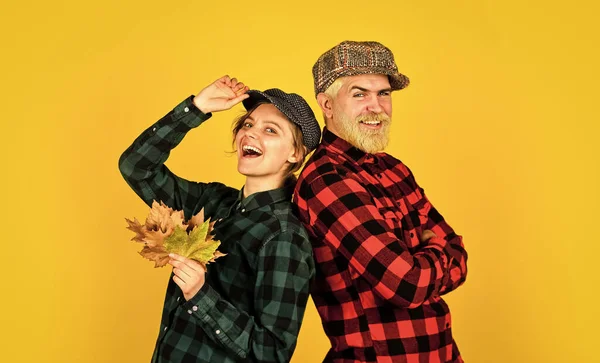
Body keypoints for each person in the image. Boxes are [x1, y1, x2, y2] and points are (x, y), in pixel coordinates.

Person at [119, 75, 321, 363]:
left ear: (295, 154)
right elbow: (136, 167)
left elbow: (272, 353)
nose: (250, 133)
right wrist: (196, 108)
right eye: (248, 124)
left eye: (271, 130)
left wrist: (201, 295)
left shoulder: (283, 236)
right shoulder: (212, 202)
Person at [293, 41, 468, 362]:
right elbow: (407, 284)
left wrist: (428, 257)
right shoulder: (326, 180)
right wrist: (438, 252)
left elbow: (460, 254)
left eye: (383, 94)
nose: (376, 107)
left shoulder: (393, 168)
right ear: (327, 105)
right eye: (359, 94)